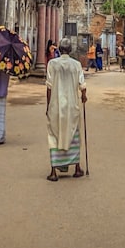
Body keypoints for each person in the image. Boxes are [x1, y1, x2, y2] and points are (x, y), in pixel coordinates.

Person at [45, 36, 87, 181]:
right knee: (74, 134)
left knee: (54, 136)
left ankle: (54, 172)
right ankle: (76, 168)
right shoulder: (76, 64)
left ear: (60, 49)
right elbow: (82, 84)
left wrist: (48, 105)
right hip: (72, 105)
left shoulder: (52, 63)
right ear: (70, 50)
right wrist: (84, 96)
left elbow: (49, 87)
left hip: (56, 105)